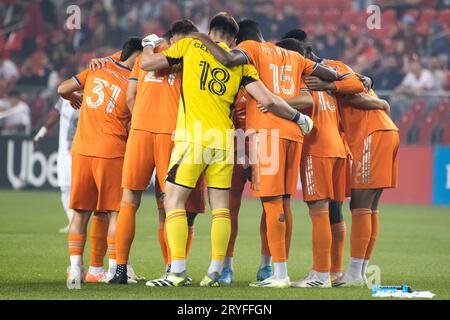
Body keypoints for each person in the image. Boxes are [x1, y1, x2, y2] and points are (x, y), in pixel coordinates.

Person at [140, 13, 312, 287]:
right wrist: (298, 118)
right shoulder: (243, 64)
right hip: (224, 142)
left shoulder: (191, 45)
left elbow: (148, 64)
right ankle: (215, 273)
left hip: (193, 138)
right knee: (221, 209)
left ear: (211, 31)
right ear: (234, 39)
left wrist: (148, 43)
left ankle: (177, 273)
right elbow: (267, 99)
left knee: (173, 201)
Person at [191, 19, 336, 288]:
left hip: (260, 137)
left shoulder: (249, 55)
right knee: (261, 204)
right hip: (248, 139)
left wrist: (273, 102)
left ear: (238, 42)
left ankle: (269, 268)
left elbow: (304, 99)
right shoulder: (287, 58)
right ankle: (230, 266)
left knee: (253, 205)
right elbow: (321, 83)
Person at [108, 20, 206, 286]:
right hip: (170, 133)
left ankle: (119, 269)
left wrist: (141, 116)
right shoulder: (186, 55)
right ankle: (171, 269)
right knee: (169, 204)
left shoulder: (144, 55)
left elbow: (130, 97)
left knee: (129, 200)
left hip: (140, 130)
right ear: (176, 38)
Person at [57, 37, 143, 286]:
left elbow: (62, 89)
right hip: (111, 151)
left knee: (81, 213)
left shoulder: (96, 68)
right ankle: (116, 270)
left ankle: (76, 270)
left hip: (82, 149)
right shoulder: (133, 83)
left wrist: (73, 98)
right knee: (116, 212)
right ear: (137, 57)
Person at [33, 98, 79, 233]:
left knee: (80, 189)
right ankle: (73, 223)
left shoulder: (91, 96)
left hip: (79, 150)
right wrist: (42, 132)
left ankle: (79, 223)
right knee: (65, 188)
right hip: (64, 151)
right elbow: (56, 113)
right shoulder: (65, 95)